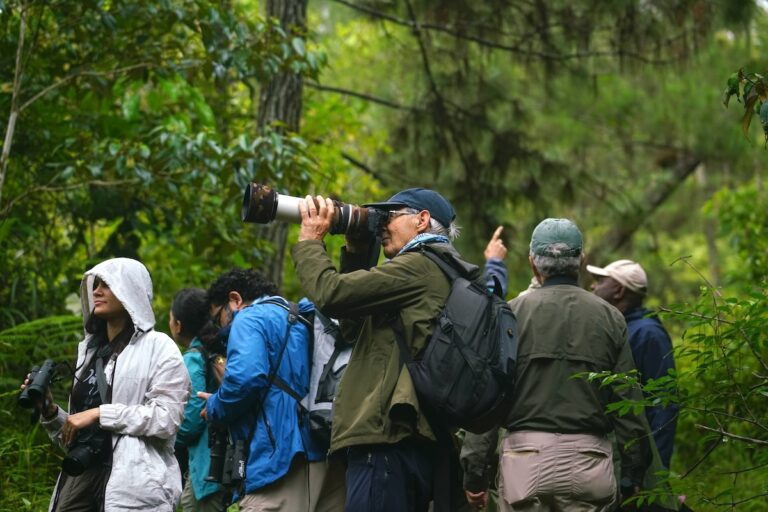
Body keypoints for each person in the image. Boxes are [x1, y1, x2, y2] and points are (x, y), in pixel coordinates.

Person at [291, 188, 476, 512]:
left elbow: (331, 294)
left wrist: (310, 240)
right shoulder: (440, 270)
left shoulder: (419, 265)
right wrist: (357, 251)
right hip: (407, 438)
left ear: (421, 220)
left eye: (390, 216)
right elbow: (350, 326)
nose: (383, 225)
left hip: (386, 438)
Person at [461, 219, 649, 512]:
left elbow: (487, 401)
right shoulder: (610, 317)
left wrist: (475, 472)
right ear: (581, 261)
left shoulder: (510, 314)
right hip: (590, 463)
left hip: (523, 464)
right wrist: (633, 474)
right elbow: (627, 401)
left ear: (533, 263)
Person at [26, 257, 190, 511]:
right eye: (95, 285)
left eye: (107, 284)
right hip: (82, 474)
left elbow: (166, 418)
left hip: (135, 483)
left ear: (131, 290)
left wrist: (100, 413)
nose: (97, 291)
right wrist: (50, 412)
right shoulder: (90, 352)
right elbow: (74, 434)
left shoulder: (160, 347)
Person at [197, 268, 344, 512]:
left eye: (217, 317)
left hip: (280, 459)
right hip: (325, 450)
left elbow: (245, 379)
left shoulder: (249, 318)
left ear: (235, 300)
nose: (219, 326)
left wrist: (214, 406)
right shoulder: (301, 317)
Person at [587, 259, 678, 469]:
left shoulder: (648, 334)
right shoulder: (613, 327)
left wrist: (656, 468)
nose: (593, 286)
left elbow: (664, 404)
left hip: (634, 459)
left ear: (619, 291)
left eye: (601, 281)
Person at [169, 288, 226, 512]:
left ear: (178, 325)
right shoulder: (220, 349)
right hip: (225, 460)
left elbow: (192, 420)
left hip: (207, 466)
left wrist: (165, 439)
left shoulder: (193, 358)